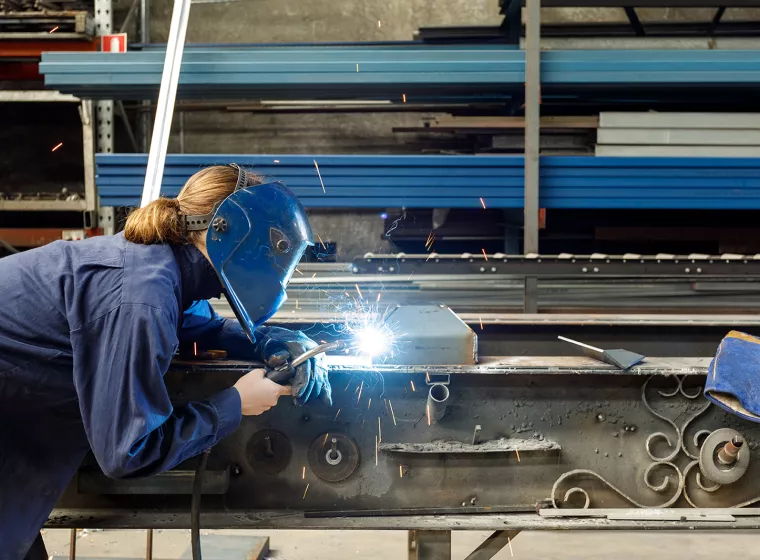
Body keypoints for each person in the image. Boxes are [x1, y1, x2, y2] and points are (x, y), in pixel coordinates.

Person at [0, 164, 332, 559]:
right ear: (230, 231)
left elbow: (191, 323)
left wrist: (268, 339)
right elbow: (127, 452)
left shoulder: (152, 264)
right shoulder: (141, 295)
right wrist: (235, 402)